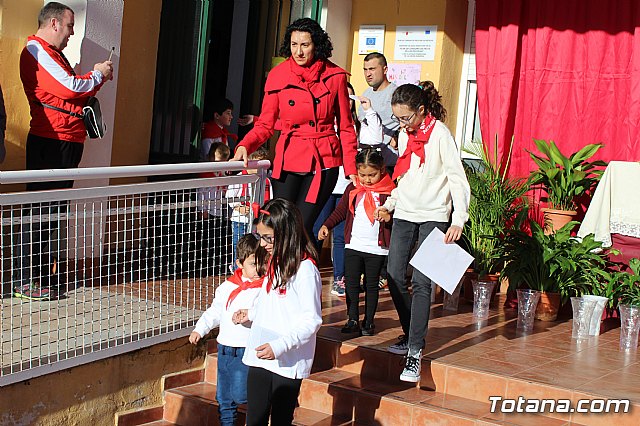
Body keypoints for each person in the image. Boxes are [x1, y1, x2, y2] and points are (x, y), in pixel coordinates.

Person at [14, 1, 114, 300]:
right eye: (70, 26)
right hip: (51, 141)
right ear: (54, 23)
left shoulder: (54, 54)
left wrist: (94, 80)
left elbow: (73, 91)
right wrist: (96, 74)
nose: (71, 33)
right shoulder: (37, 50)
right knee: (41, 211)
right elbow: (71, 88)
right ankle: (26, 279)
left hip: (65, 140)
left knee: (54, 212)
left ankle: (43, 276)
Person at [374, 82, 470, 383]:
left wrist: (458, 219)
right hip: (405, 212)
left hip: (434, 216)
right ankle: (409, 330)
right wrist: (390, 202)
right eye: (398, 119)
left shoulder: (440, 134)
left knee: (422, 282)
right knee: (393, 272)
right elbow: (404, 177)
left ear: (421, 111)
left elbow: (457, 177)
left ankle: (415, 351)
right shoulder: (405, 135)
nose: (402, 124)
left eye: (406, 118)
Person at [231, 18, 358, 237]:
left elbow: (346, 127)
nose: (298, 52)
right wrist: (245, 144)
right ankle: (280, 270)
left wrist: (351, 167)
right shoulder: (278, 76)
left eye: (305, 45)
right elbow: (265, 124)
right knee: (281, 226)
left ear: (316, 45)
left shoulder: (335, 77)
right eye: (294, 45)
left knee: (300, 228)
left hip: (323, 160)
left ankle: (302, 270)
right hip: (288, 158)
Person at [232, 198, 322, 426]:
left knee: (281, 419)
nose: (262, 244)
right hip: (261, 351)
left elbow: (311, 320)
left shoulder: (305, 270)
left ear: (287, 233)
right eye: (260, 236)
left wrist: (280, 346)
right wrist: (250, 313)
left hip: (287, 359)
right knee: (255, 418)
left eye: (268, 237)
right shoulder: (275, 261)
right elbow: (269, 299)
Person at [189, 233, 265, 426]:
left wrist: (249, 314)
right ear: (240, 264)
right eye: (252, 263)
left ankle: (265, 398)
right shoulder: (227, 286)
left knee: (241, 394)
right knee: (224, 399)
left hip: (245, 350)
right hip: (224, 348)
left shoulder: (263, 287)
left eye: (261, 262)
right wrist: (200, 328)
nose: (258, 269)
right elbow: (215, 310)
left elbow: (265, 312)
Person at [318, 148, 394, 336]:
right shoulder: (353, 188)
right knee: (351, 283)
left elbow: (397, 216)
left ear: (382, 169)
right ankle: (352, 318)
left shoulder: (390, 191)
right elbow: (341, 210)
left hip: (376, 248)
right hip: (353, 244)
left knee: (370, 284)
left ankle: (368, 321)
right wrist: (327, 225)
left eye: (372, 175)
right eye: (363, 175)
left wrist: (388, 217)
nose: (367, 180)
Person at [225, 147, 272, 271]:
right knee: (239, 244)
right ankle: (237, 269)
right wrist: (238, 207)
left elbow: (270, 199)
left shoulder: (265, 181)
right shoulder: (239, 178)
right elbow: (229, 197)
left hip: (256, 221)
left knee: (255, 245)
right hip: (240, 220)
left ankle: (254, 268)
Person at [360, 52, 399, 172]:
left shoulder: (395, 94)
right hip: (367, 163)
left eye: (372, 69)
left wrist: (397, 136)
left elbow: (408, 121)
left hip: (388, 164)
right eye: (365, 70)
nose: (368, 74)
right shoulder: (366, 94)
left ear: (385, 69)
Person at [197, 142, 232, 276]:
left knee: (218, 239)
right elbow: (201, 192)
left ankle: (215, 264)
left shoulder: (224, 173)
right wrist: (202, 209)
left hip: (220, 209)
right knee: (206, 238)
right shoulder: (206, 173)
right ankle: (204, 265)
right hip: (209, 210)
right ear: (212, 158)